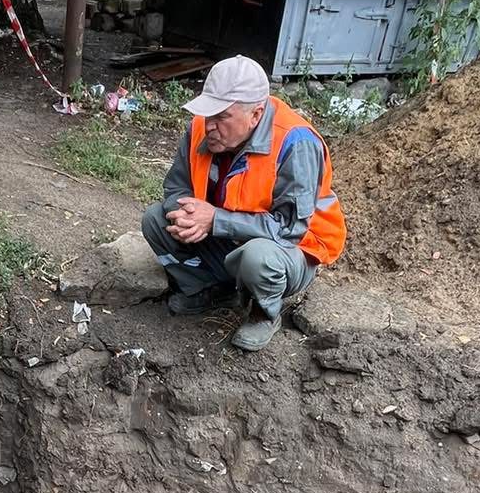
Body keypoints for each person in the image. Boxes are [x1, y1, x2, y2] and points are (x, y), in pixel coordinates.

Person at [140, 54, 347, 351]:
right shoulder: (200, 127)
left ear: (256, 114)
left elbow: (289, 228)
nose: (209, 126)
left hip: (292, 251)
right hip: (228, 238)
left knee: (258, 257)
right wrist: (184, 214)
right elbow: (176, 185)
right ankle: (212, 290)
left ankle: (264, 314)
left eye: (222, 116)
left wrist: (215, 220)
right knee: (156, 220)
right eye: (208, 114)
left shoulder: (295, 143)